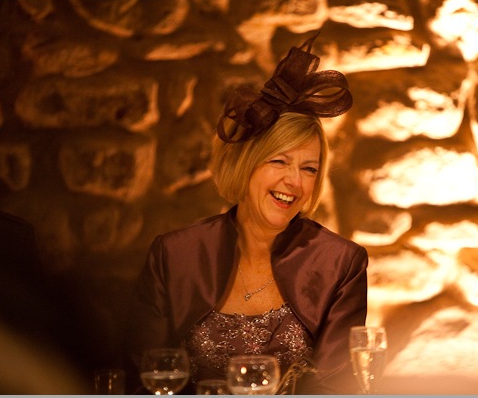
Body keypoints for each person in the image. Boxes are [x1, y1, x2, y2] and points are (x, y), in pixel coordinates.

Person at [124, 33, 368, 394]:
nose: (294, 181)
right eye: (279, 161)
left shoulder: (341, 263)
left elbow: (338, 388)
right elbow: (143, 378)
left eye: (309, 169)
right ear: (245, 164)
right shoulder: (173, 255)